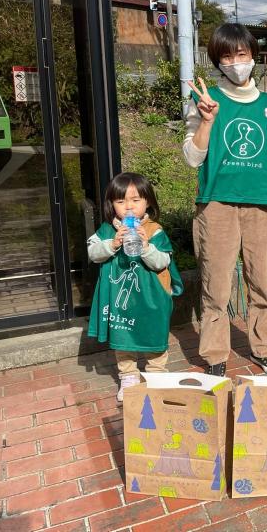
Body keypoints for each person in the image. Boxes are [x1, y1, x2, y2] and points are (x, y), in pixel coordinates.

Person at [182, 23, 267, 377]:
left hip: (262, 205)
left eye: (241, 54)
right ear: (217, 61)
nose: (235, 62)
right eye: (226, 56)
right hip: (217, 203)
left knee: (262, 280)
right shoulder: (206, 101)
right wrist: (207, 121)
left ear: (253, 56)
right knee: (217, 281)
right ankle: (215, 355)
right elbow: (192, 158)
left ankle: (263, 348)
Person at [87, 172, 182, 402]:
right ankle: (128, 377)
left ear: (147, 201)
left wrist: (146, 246)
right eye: (120, 201)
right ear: (112, 204)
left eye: (135, 200)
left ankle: (157, 376)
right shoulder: (107, 230)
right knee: (123, 335)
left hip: (151, 298)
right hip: (121, 299)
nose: (128, 207)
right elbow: (93, 253)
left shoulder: (155, 230)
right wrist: (113, 243)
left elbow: (162, 262)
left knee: (154, 334)